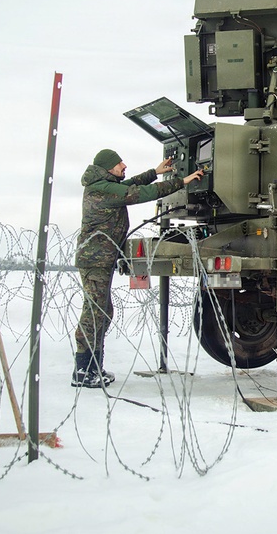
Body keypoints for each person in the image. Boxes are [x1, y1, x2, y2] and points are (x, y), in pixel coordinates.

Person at [73, 148, 204, 388]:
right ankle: (84, 370)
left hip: (100, 258)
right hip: (96, 259)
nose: (124, 166)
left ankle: (92, 367)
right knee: (95, 312)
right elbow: (139, 193)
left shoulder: (103, 185)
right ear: (107, 168)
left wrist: (154, 172)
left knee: (102, 310)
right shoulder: (103, 189)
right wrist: (181, 181)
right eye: (119, 163)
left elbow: (132, 184)